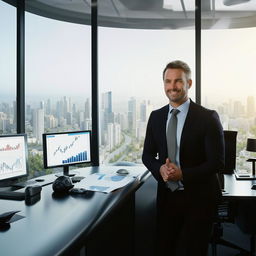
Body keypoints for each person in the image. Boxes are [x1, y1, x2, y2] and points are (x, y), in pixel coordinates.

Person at [142, 60, 225, 256]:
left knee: (193, 250)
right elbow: (147, 155)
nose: (172, 86)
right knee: (164, 248)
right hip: (167, 198)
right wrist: (159, 168)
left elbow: (217, 162)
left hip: (198, 198)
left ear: (189, 83)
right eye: (167, 81)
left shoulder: (208, 118)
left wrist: (183, 175)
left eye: (178, 81)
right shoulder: (156, 117)